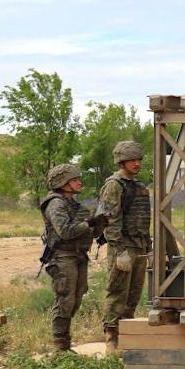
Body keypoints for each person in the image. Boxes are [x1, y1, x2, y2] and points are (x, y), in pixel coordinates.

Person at [38, 164, 103, 352]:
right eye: (74, 180)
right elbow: (65, 231)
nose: (79, 182)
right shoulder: (55, 203)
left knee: (77, 297)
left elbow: (88, 231)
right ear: (62, 182)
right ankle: (60, 345)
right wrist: (88, 223)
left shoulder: (75, 205)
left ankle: (64, 342)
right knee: (65, 299)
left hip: (79, 256)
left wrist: (100, 225)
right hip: (63, 257)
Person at [99, 140, 152, 351]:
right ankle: (111, 338)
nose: (137, 163)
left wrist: (148, 245)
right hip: (123, 247)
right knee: (117, 291)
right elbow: (110, 220)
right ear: (122, 162)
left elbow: (145, 219)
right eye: (132, 160)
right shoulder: (114, 185)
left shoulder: (139, 187)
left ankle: (126, 334)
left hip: (138, 246)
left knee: (134, 294)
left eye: (138, 159)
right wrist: (119, 250)